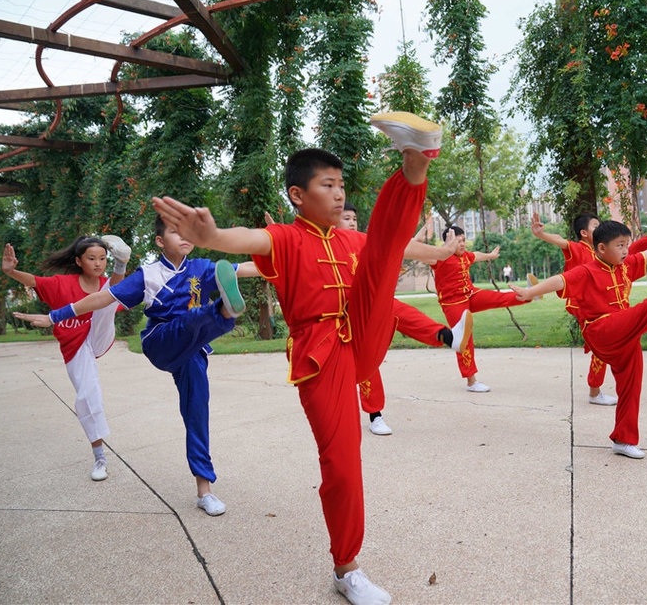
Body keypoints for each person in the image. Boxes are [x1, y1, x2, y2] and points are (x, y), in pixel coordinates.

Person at [151, 111, 441, 605]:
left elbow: (397, 243)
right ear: (297, 195)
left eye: (342, 185)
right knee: (343, 464)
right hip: (322, 354)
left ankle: (417, 161)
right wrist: (213, 239)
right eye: (328, 185)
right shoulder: (284, 239)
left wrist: (447, 251)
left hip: (365, 333)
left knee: (380, 253)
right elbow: (243, 237)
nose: (339, 193)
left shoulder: (355, 239)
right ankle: (347, 570)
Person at [15, 217, 256, 517]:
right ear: (159, 241)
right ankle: (223, 311)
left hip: (192, 348)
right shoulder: (148, 275)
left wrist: (293, 256)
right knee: (196, 318)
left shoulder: (204, 268)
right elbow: (101, 297)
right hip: (161, 342)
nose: (184, 236)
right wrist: (54, 317)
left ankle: (204, 491)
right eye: (174, 232)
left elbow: (249, 268)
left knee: (197, 411)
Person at [511, 220, 647, 459]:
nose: (625, 250)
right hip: (602, 331)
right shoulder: (587, 271)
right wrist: (528, 292)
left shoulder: (626, 265)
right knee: (646, 310)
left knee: (632, 386)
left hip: (624, 333)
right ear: (601, 248)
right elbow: (560, 280)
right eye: (620, 245)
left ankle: (624, 439)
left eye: (627, 245)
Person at [336, 201, 472, 436]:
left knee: (398, 310)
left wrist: (440, 250)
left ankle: (448, 336)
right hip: (344, 316)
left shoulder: (362, 241)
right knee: (365, 365)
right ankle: (375, 415)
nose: (351, 222)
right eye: (346, 218)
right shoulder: (326, 245)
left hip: (371, 304)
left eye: (354, 219)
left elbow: (398, 247)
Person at [3, 235, 131, 481]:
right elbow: (34, 281)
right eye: (91, 258)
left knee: (108, 296)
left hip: (99, 334)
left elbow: (119, 292)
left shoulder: (106, 283)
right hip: (76, 347)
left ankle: (122, 263)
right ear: (78, 261)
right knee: (88, 395)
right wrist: (11, 272)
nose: (98, 263)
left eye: (103, 259)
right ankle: (99, 457)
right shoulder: (61, 284)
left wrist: (119, 271)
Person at [531, 210, 647, 405]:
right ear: (584, 233)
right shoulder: (579, 249)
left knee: (635, 251)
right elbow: (560, 241)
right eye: (596, 227)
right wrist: (541, 235)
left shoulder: (609, 255)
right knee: (602, 351)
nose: (600, 229)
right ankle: (594, 391)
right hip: (587, 306)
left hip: (607, 305)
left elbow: (643, 254)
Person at [416, 225, 531, 392]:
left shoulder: (465, 256)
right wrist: (417, 241)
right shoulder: (438, 258)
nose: (462, 244)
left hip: (470, 294)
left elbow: (476, 255)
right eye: (458, 241)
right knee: (464, 339)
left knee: (498, 297)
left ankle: (529, 294)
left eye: (463, 240)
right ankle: (471, 381)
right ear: (448, 242)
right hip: (453, 303)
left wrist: (491, 255)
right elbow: (420, 254)